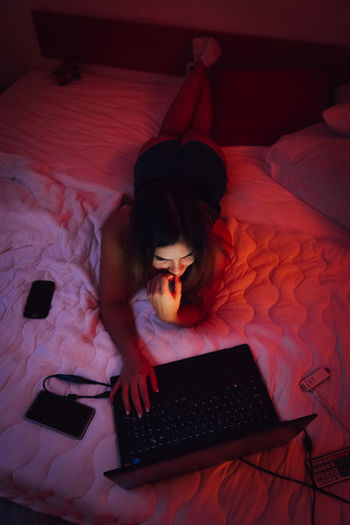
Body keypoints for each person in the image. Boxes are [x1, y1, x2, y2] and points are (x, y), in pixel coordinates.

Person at [99, 38, 233, 418]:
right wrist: (133, 357)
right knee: (175, 129)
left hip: (203, 178)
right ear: (144, 244)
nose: (177, 271)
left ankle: (203, 67)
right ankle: (202, 67)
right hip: (156, 170)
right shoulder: (121, 227)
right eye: (164, 260)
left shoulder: (216, 238)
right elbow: (110, 302)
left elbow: (201, 309)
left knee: (196, 131)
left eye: (185, 259)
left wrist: (171, 316)